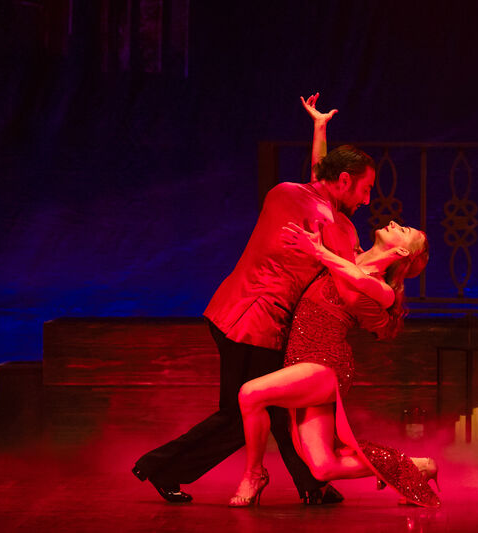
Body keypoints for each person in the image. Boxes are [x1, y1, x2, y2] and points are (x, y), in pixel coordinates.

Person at [132, 93, 377, 505]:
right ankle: (161, 467)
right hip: (255, 324)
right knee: (242, 412)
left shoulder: (285, 192)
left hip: (230, 309)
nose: (367, 201)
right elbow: (355, 276)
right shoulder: (333, 224)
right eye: (365, 189)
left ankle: (313, 485)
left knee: (274, 409)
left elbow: (320, 177)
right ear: (346, 181)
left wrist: (319, 128)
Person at [229, 218, 440, 508]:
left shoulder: (381, 289)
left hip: (325, 364)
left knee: (250, 394)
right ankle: (415, 466)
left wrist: (318, 251)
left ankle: (254, 474)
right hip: (299, 361)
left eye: (403, 230)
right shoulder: (347, 252)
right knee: (322, 467)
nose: (394, 222)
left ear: (402, 253)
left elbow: (354, 276)